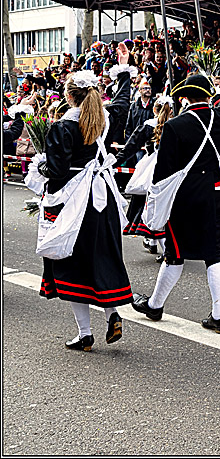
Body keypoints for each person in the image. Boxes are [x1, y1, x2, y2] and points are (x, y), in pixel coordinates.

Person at [36, 47, 135, 351]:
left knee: (71, 264)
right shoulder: (102, 122)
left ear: (69, 96)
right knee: (104, 256)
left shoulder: (63, 126)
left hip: (76, 202)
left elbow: (57, 170)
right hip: (101, 198)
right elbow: (120, 103)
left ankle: (85, 333)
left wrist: (40, 166)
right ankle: (113, 313)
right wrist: (123, 74)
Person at [131, 74, 220, 335]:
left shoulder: (174, 126)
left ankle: (155, 306)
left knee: (174, 253)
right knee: (215, 253)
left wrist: (155, 199)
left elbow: (164, 172)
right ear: (208, 94)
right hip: (218, 193)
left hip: (188, 198)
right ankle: (219, 315)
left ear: (185, 98)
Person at [114, 93, 175, 257]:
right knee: (164, 207)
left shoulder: (149, 126)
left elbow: (130, 147)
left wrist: (114, 162)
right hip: (171, 169)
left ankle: (163, 246)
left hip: (151, 170)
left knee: (147, 206)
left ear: (155, 109)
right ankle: (154, 242)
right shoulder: (176, 126)